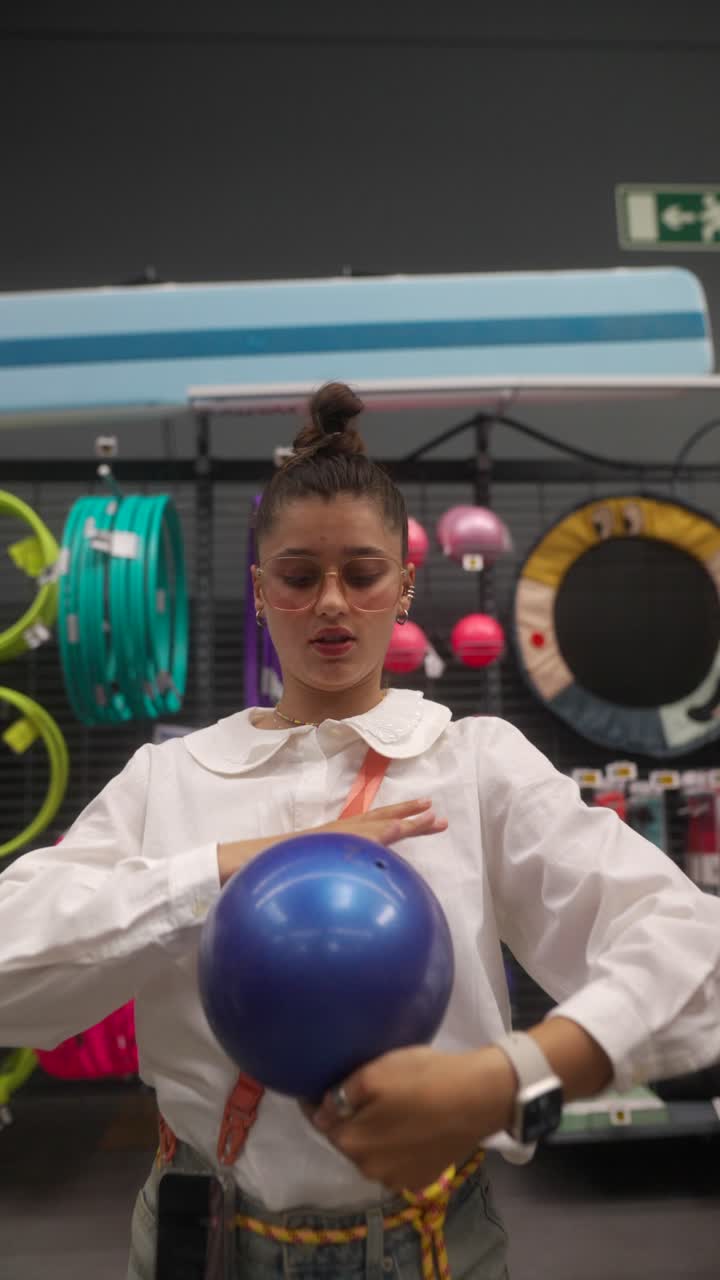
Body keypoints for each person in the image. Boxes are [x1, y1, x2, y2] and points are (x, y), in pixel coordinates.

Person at [1, 381, 719, 1280]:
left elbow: (695, 951)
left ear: (406, 585)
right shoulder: (172, 778)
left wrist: (510, 1076)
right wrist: (227, 868)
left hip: (427, 1244)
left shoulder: (475, 764)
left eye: (363, 572)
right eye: (299, 576)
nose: (332, 602)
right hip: (204, 1240)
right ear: (260, 592)